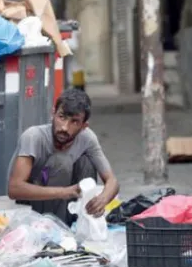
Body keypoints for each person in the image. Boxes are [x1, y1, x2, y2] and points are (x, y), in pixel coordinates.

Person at [7, 88, 119, 226]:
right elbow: (14, 189)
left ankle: (81, 224)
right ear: (53, 113)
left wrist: (103, 199)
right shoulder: (34, 137)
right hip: (32, 208)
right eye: (62, 117)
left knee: (87, 162)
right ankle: (57, 227)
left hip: (64, 202)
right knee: (61, 161)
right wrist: (65, 192)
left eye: (74, 122)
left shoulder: (87, 138)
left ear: (84, 126)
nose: (65, 127)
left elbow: (112, 181)